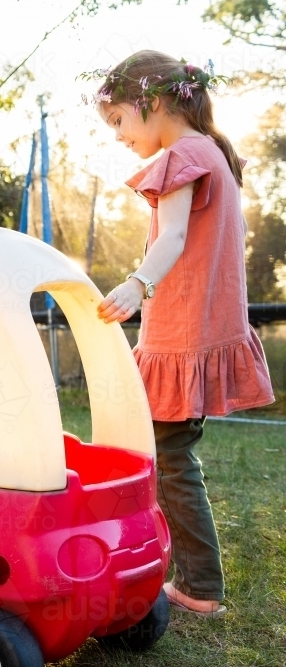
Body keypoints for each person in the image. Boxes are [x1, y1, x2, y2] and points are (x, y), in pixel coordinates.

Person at [90, 50, 275, 618]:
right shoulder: (213, 152)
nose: (118, 135)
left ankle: (198, 585)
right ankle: (178, 568)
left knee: (167, 461)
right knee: (168, 456)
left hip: (180, 335)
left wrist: (136, 285)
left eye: (119, 120)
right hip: (193, 331)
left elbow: (169, 238)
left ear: (151, 103)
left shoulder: (183, 155)